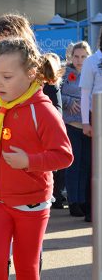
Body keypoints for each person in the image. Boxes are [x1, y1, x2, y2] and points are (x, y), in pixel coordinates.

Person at [0, 37, 73, 280]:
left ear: (30, 74)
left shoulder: (43, 110)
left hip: (31, 202)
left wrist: (29, 161)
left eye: (6, 77)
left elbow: (64, 155)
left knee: (27, 268)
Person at [61, 41, 91, 217]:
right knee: (74, 164)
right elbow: (55, 93)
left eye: (83, 56)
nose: (79, 60)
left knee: (85, 165)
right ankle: (73, 201)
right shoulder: (65, 73)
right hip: (71, 125)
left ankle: (83, 201)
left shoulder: (93, 73)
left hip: (88, 126)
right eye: (76, 56)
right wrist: (69, 102)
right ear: (71, 57)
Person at [79, 28, 102, 223]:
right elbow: (85, 93)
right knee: (96, 166)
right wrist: (86, 122)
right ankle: (91, 210)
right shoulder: (92, 61)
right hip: (97, 115)